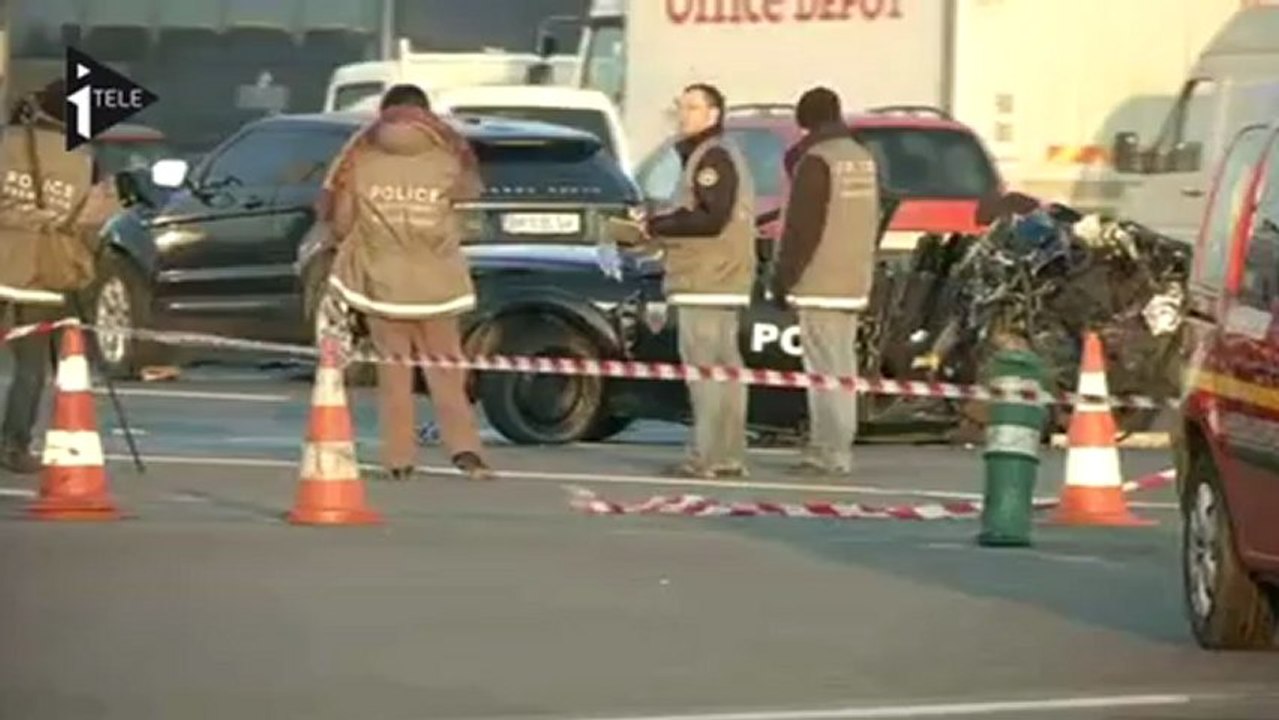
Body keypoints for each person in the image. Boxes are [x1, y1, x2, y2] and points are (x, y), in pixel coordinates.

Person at [319, 83, 492, 481]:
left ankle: (399, 458)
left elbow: (342, 222)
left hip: (382, 284)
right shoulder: (448, 158)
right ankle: (465, 451)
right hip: (439, 284)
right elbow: (472, 198)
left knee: (394, 373)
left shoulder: (359, 159)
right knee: (446, 371)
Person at [0, 80, 119, 474]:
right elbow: (96, 220)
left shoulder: (5, 141)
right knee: (31, 366)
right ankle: (13, 445)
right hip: (44, 272)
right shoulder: (86, 160)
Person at [642, 83, 756, 479]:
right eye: (681, 107)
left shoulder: (713, 157)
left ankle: (707, 456)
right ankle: (727, 455)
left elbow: (711, 217)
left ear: (713, 115)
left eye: (692, 108)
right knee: (724, 370)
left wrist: (657, 225)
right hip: (722, 276)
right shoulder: (711, 154)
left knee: (706, 371)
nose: (683, 115)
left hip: (706, 277)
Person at [769, 87, 880, 476]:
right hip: (854, 277)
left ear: (805, 120)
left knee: (822, 370)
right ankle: (839, 446)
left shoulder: (816, 162)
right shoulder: (862, 158)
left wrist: (782, 280)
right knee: (843, 367)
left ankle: (827, 452)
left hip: (819, 280)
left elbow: (802, 231)